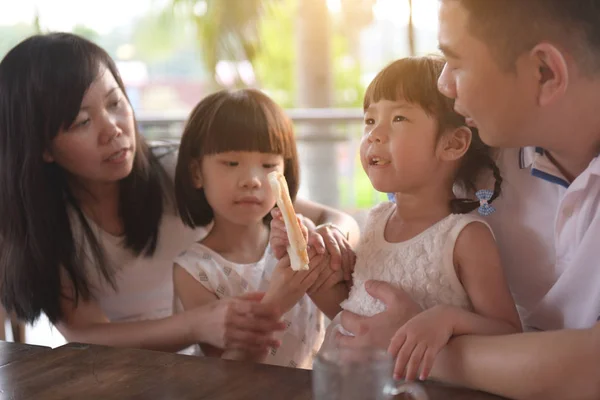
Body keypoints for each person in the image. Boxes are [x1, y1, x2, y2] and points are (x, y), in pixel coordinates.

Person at [0, 32, 359, 353]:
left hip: (205, 362)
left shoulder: (176, 168)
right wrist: (199, 323)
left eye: (115, 103)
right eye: (82, 121)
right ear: (42, 147)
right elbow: (85, 334)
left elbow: (328, 216)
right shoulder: (41, 223)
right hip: (120, 374)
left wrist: (333, 237)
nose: (112, 130)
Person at [338, 1, 600, 399]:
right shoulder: (477, 165)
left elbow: (589, 369)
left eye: (456, 63)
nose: (444, 85)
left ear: (544, 72)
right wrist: (329, 232)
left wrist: (419, 348)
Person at [272, 56, 521, 380]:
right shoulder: (374, 221)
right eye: (370, 120)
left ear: (452, 143)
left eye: (399, 117)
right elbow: (351, 311)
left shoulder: (465, 237)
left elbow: (508, 334)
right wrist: (307, 264)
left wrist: (446, 320)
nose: (374, 134)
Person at [172, 88, 340, 368]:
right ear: (197, 173)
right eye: (231, 163)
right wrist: (275, 303)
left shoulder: (300, 240)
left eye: (268, 164)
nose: (252, 180)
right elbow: (229, 374)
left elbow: (346, 318)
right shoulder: (194, 271)